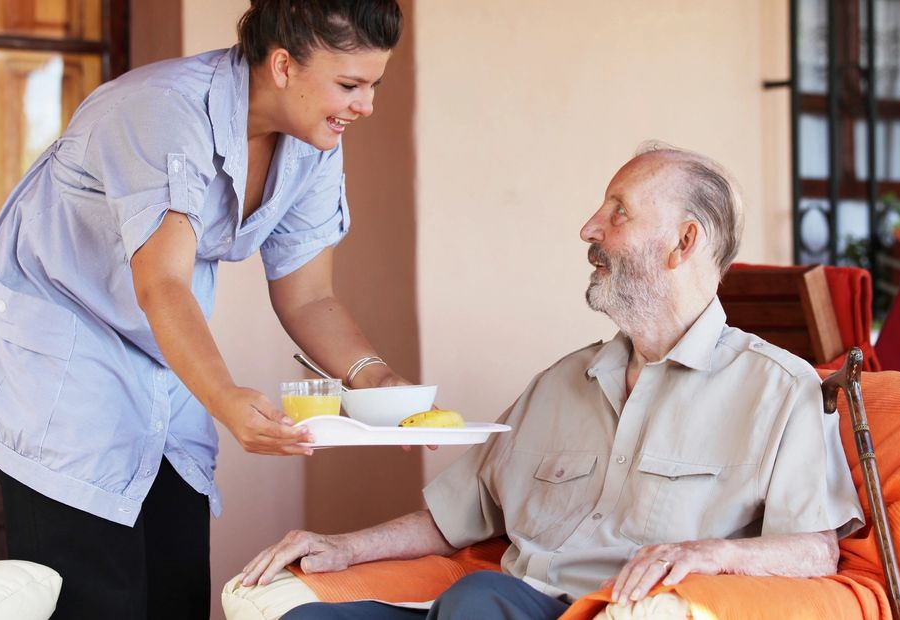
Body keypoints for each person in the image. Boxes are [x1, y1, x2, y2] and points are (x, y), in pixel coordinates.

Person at [239, 144, 865, 619]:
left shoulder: (777, 389)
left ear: (684, 243)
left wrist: (712, 555)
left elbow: (814, 550)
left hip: (599, 610)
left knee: (478, 600)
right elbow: (458, 514)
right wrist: (344, 548)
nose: (590, 228)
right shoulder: (560, 382)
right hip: (502, 608)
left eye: (617, 212)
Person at [0, 1, 408, 617]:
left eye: (374, 85)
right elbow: (161, 283)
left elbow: (309, 295)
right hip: (60, 358)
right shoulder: (162, 111)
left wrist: (376, 382)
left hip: (160, 351)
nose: (365, 106)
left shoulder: (314, 141)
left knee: (176, 583)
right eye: (350, 85)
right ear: (281, 65)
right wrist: (224, 400)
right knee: (94, 597)